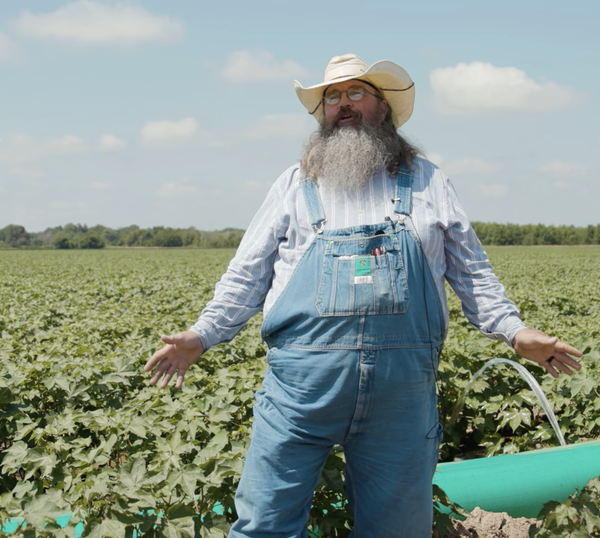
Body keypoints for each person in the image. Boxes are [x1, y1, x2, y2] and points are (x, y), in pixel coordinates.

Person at [145, 54, 583, 538]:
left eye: (355, 93)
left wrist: (514, 331)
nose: (342, 105)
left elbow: (472, 273)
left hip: (401, 392)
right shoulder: (293, 185)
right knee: (264, 523)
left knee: (396, 529)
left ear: (383, 107)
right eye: (332, 97)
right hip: (301, 392)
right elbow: (246, 276)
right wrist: (202, 335)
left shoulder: (428, 182)